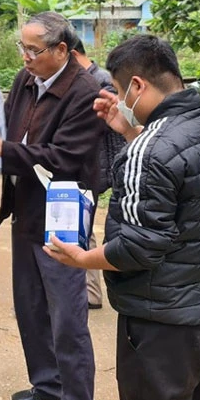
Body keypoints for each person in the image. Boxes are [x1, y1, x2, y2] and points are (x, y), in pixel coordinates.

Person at [44, 35, 200, 400]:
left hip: (159, 324)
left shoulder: (148, 149)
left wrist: (83, 258)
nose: (119, 99)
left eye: (121, 91)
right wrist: (128, 131)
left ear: (138, 86)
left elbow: (140, 246)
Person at [0, 12, 106, 400]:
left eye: (33, 49)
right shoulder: (25, 80)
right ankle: (47, 386)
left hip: (62, 213)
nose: (25, 57)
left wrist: (2, 152)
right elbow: (10, 136)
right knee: (29, 305)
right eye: (22, 47)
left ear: (62, 50)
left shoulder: (86, 91)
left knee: (67, 315)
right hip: (25, 206)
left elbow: (63, 158)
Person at [70, 40, 124, 310]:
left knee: (85, 225)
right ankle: (91, 291)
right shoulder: (91, 79)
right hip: (94, 164)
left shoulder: (99, 80)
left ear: (72, 53)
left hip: (99, 164)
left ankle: (92, 292)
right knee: (85, 224)